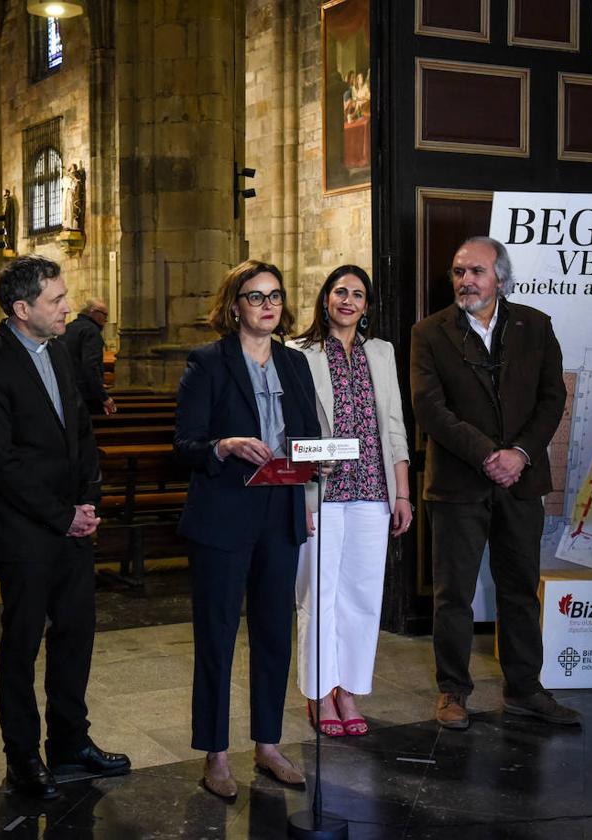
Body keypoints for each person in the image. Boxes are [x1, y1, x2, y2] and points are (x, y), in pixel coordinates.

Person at [0, 255, 130, 801]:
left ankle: (70, 742)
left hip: (72, 526)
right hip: (23, 532)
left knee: (76, 636)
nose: (66, 307)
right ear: (21, 308)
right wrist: (61, 515)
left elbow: (80, 433)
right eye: (56, 299)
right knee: (22, 642)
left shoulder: (57, 351)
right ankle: (23, 757)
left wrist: (88, 501)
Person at [411, 236, 580, 730]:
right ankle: (453, 693)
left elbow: (553, 398)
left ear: (500, 278)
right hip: (459, 484)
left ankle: (526, 690)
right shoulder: (429, 332)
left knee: (521, 590)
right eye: (459, 272)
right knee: (453, 595)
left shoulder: (536, 325)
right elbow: (429, 409)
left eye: (476, 272)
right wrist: (489, 455)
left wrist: (520, 454)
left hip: (521, 482)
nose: (466, 280)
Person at [174, 259, 322, 799]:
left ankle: (268, 743)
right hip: (223, 513)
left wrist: (318, 464)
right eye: (256, 297)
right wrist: (226, 445)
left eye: (275, 296)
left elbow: (308, 436)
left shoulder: (295, 364)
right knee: (216, 635)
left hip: (280, 512)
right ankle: (215, 754)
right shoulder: (208, 363)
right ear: (234, 305)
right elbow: (184, 444)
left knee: (273, 633)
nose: (267, 306)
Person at [288, 265, 411, 738]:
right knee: (318, 595)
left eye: (358, 295)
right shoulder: (299, 352)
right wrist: (299, 493)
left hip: (373, 491)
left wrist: (401, 492)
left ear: (366, 306)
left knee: (362, 595)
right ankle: (319, 691)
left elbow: (395, 425)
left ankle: (350, 690)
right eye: (340, 291)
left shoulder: (381, 352)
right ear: (325, 298)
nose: (348, 300)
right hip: (322, 490)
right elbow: (290, 427)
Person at [62, 299, 116, 415]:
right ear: (93, 312)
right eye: (104, 315)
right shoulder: (91, 331)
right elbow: (90, 365)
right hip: (87, 395)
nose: (106, 320)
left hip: (67, 393)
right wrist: (104, 397)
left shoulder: (67, 328)